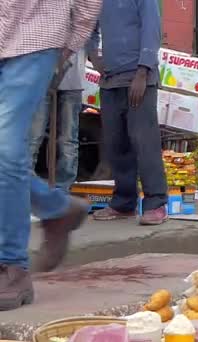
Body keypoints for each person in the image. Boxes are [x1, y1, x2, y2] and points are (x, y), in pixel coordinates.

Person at [0, 0, 101, 310]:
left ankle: (12, 266)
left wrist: (71, 42)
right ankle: (57, 209)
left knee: (5, 146)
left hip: (35, 35)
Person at [88, 0, 169, 224]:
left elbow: (152, 28)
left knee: (144, 141)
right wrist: (93, 55)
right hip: (110, 80)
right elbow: (88, 26)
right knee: (116, 143)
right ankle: (124, 203)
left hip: (139, 78)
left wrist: (143, 71)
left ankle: (156, 203)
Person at [30, 48, 86, 192]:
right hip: (42, 78)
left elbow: (91, 35)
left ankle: (62, 190)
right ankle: (26, 187)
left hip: (72, 80)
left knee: (68, 139)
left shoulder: (82, 26)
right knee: (33, 137)